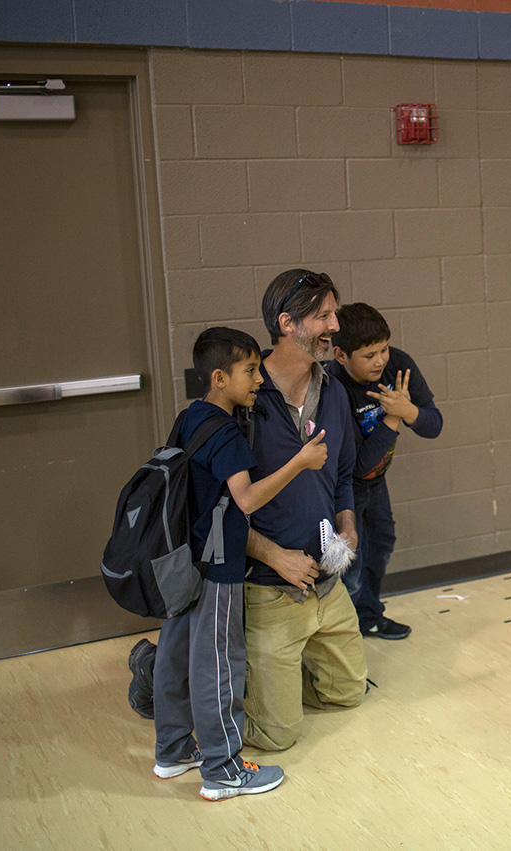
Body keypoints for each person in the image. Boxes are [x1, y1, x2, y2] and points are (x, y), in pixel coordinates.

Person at [152, 327, 326, 800]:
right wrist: (300, 462)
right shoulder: (226, 432)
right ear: (219, 377)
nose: (257, 379)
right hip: (218, 564)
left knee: (177, 652)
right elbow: (245, 499)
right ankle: (223, 768)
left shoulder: (192, 417)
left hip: (183, 560)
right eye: (250, 370)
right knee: (219, 664)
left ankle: (171, 751)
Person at [241, 269, 370, 752]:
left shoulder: (334, 392)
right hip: (270, 587)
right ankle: (184, 685)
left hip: (325, 584)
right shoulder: (246, 396)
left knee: (348, 693)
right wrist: (275, 556)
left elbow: (341, 479)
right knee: (279, 737)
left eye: (333, 313)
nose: (335, 325)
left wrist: (348, 527)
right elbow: (222, 507)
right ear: (286, 324)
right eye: (323, 316)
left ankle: (271, 682)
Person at [326, 302, 443, 640]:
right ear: (341, 355)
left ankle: (368, 616)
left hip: (376, 481)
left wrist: (408, 410)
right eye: (369, 354)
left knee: (382, 542)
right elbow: (359, 464)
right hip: (343, 486)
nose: (380, 360)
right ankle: (342, 638)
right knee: (351, 561)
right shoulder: (334, 390)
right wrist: (394, 416)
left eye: (384, 349)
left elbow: (433, 424)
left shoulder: (399, 367)